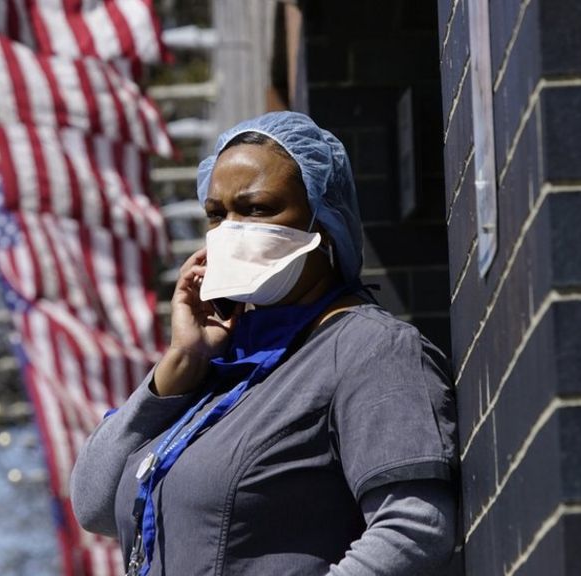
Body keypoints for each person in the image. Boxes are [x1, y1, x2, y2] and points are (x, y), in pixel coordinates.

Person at [72, 111, 458, 576]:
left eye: (257, 209)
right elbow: (94, 505)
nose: (232, 230)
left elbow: (415, 529)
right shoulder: (221, 369)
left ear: (324, 218)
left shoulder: (370, 349)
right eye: (217, 214)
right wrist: (181, 362)